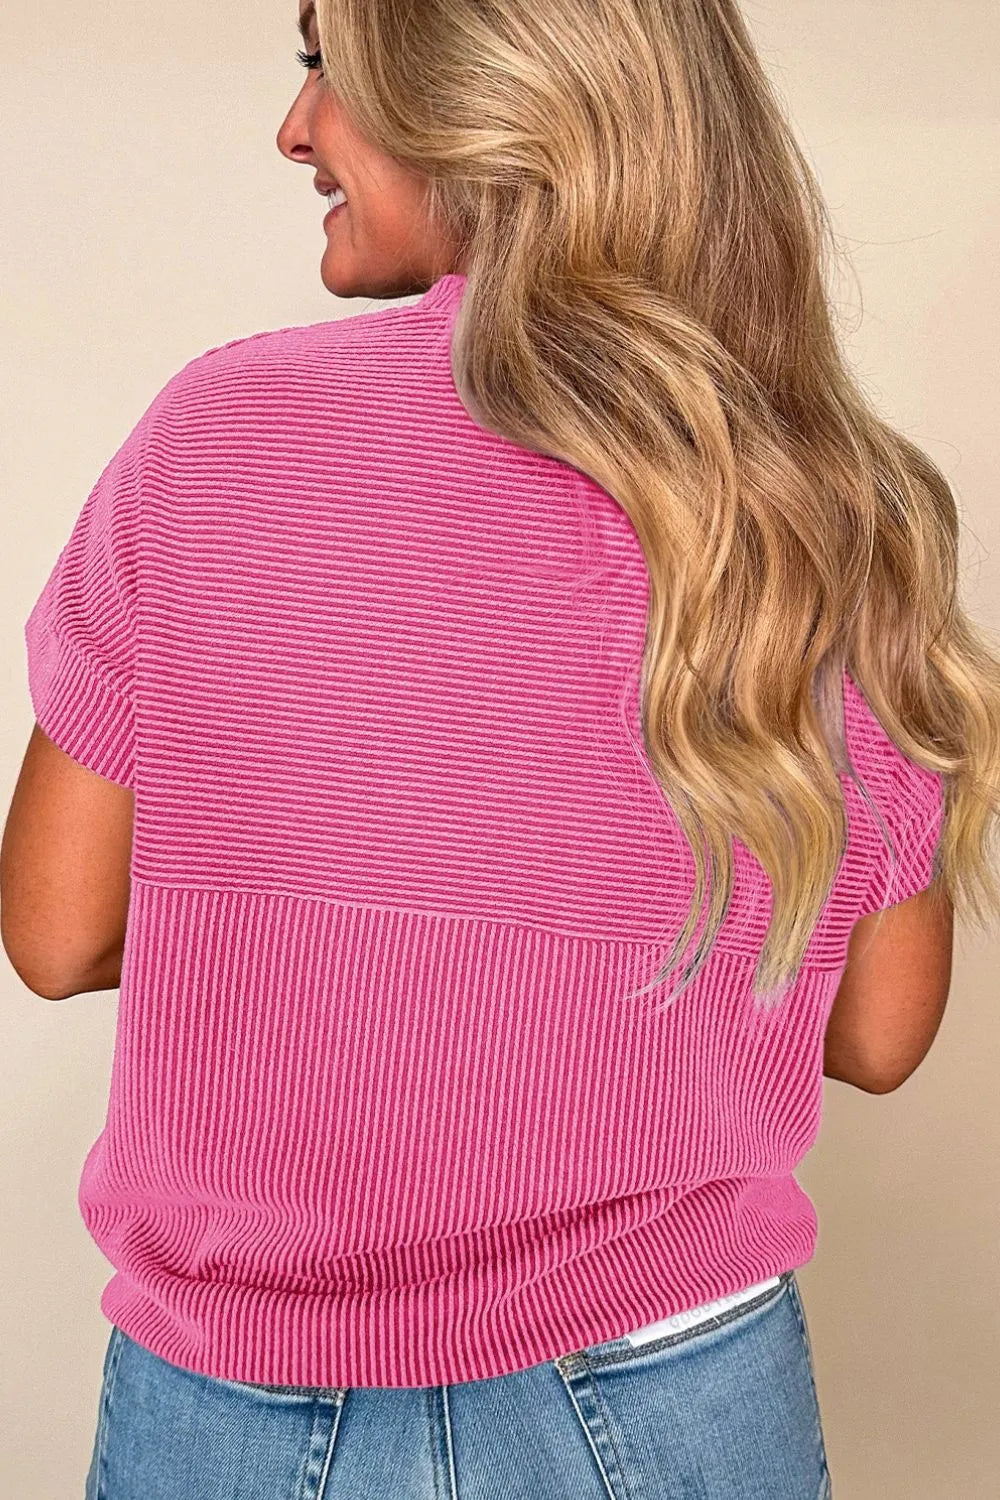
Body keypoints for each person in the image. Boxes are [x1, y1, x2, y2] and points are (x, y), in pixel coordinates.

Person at [2, 1, 997, 1496]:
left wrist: (339, 936)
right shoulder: (816, 497)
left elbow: (56, 929)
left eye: (323, 62)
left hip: (235, 1396)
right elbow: (877, 1030)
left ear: (473, 91)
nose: (294, 128)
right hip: (664, 1390)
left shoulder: (214, 434)